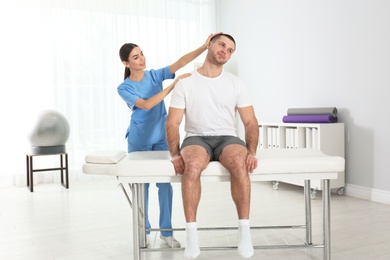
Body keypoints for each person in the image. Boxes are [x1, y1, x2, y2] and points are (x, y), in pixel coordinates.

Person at [117, 32, 220, 248]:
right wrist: (172, 86)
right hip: (138, 141)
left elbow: (180, 62)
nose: (142, 58)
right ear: (126, 62)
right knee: (141, 187)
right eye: (135, 57)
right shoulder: (124, 87)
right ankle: (143, 231)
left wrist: (204, 47)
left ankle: (166, 232)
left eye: (142, 53)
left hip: (161, 139)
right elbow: (146, 104)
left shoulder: (154, 76)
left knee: (165, 186)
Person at [166, 34, 259, 259]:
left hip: (227, 138)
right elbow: (173, 122)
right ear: (209, 44)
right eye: (222, 45)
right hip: (196, 138)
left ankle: (245, 233)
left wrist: (252, 151)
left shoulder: (236, 83)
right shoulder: (186, 82)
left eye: (230, 50)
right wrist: (175, 154)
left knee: (239, 161)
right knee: (193, 163)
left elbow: (250, 121)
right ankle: (192, 237)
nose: (225, 51)